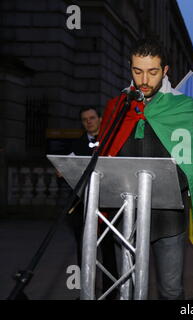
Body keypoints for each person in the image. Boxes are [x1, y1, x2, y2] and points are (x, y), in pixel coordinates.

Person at [97, 36, 193, 300]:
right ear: (130, 68)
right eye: (137, 71)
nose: (144, 80)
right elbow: (105, 157)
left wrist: (169, 181)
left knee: (171, 291)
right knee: (128, 289)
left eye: (152, 72)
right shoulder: (118, 106)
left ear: (165, 70)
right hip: (126, 217)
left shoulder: (182, 107)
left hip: (168, 217)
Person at [66, 107, 119, 299]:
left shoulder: (112, 140)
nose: (88, 122)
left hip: (108, 206)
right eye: (84, 119)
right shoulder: (77, 144)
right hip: (81, 206)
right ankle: (85, 292)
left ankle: (110, 292)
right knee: (84, 251)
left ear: (100, 119)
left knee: (109, 251)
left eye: (92, 118)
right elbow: (66, 171)